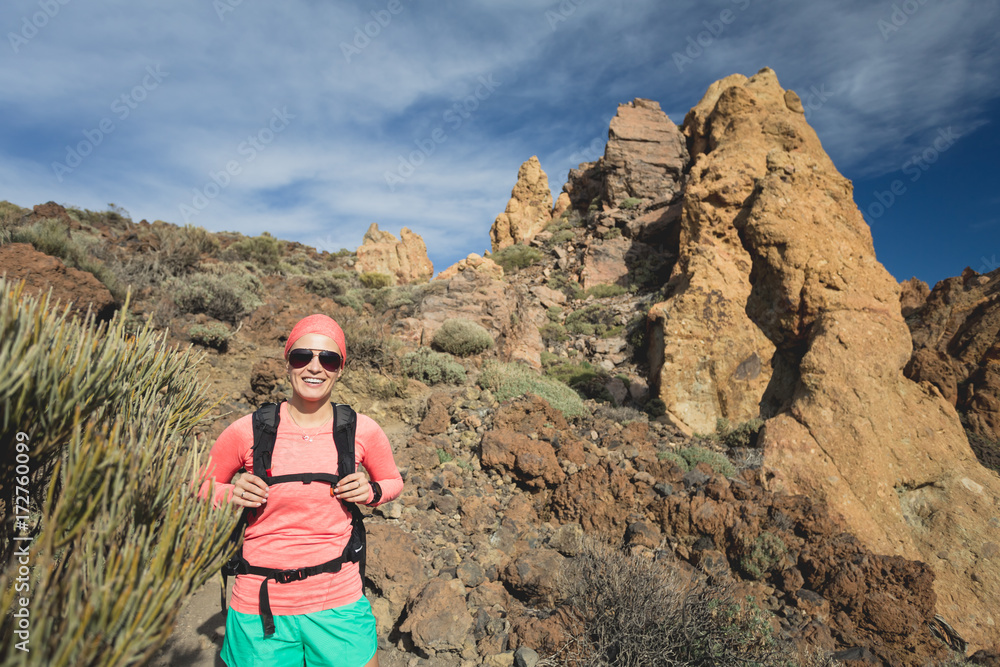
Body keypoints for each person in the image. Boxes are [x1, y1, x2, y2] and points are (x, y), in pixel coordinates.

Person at [200, 314, 403, 667]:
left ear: (340, 369)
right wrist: (229, 493)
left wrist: (371, 491)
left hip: (338, 599)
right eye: (302, 356)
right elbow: (199, 484)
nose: (315, 367)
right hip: (259, 604)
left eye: (328, 359)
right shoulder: (248, 430)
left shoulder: (362, 430)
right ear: (287, 363)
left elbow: (393, 481)